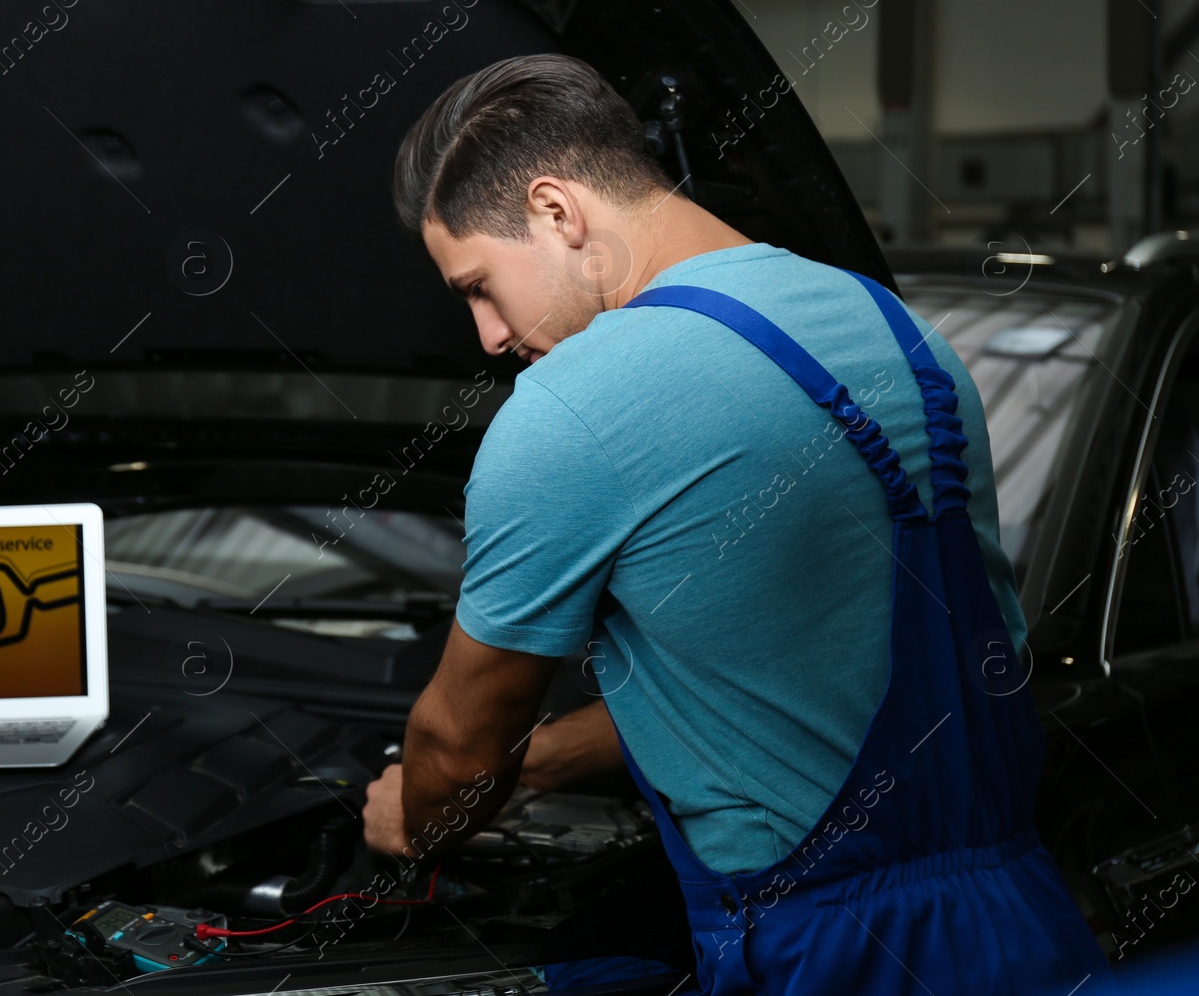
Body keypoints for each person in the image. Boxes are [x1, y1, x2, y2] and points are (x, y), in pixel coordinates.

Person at [361, 53, 1114, 994]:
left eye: (477, 284)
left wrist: (411, 817)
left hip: (833, 957)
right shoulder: (890, 325)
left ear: (556, 212)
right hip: (1021, 920)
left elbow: (460, 749)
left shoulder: (573, 406)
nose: (489, 335)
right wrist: (548, 760)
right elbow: (795, 674)